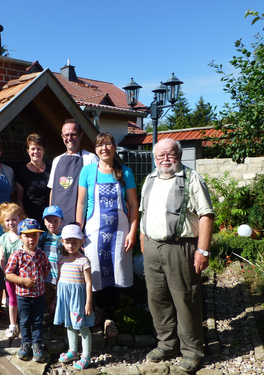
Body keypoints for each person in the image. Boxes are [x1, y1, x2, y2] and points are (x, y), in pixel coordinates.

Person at [139, 138, 214, 373]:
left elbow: (206, 215)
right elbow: (144, 213)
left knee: (186, 299)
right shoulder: (150, 179)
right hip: (152, 247)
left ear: (179, 156)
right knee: (157, 299)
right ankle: (167, 344)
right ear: (154, 158)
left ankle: (192, 351)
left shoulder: (191, 178)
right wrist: (143, 243)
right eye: (160, 156)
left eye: (169, 154)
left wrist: (202, 250)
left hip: (181, 248)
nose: (165, 159)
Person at [76, 132, 138, 338]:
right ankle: (98, 310)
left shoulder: (125, 172)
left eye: (108, 144)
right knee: (95, 272)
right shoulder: (87, 171)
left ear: (114, 147)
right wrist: (79, 231)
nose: (105, 148)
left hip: (120, 232)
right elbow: (81, 203)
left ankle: (111, 317)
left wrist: (133, 231)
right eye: (100, 145)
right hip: (94, 231)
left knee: (116, 272)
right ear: (96, 149)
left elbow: (133, 205)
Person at [5, 219, 51, 363]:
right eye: (27, 235)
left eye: (35, 235)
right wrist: (24, 281)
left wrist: (39, 282)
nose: (31, 239)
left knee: (38, 321)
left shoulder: (41, 254)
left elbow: (46, 269)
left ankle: (37, 344)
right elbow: (8, 274)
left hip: (39, 295)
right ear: (20, 237)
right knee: (24, 321)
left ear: (39, 236)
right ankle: (26, 343)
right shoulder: (17, 255)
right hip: (23, 296)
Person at [54, 224, 95, 370]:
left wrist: (88, 302)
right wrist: (55, 299)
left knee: (82, 327)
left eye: (74, 242)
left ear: (80, 242)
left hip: (78, 300)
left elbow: (89, 283)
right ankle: (73, 350)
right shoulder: (61, 260)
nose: (70, 246)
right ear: (62, 242)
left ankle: (86, 356)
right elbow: (59, 280)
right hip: (65, 300)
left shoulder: (84, 261)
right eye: (67, 242)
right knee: (69, 325)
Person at [48, 119, 98, 226]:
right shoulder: (57, 160)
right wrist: (50, 215)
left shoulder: (91, 159)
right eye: (66, 135)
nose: (69, 138)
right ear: (62, 137)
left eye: (73, 134)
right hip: (58, 219)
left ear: (81, 135)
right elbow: (53, 190)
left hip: (83, 219)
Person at [0, 202, 25, 339]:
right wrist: (6, 273)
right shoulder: (3, 238)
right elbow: (1, 257)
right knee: (12, 300)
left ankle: (25, 323)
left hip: (24, 276)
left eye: (14, 219)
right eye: (7, 220)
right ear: (3, 222)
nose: (11, 223)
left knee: (24, 300)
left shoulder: (23, 237)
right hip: (10, 276)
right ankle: (13, 324)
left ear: (20, 218)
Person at [15, 134, 51, 229]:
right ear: (28, 151)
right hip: (29, 219)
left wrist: (52, 216)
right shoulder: (21, 172)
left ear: (44, 150)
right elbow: (19, 199)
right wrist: (23, 218)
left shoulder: (51, 169)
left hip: (49, 218)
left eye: (39, 149)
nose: (36, 152)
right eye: (33, 149)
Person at [39, 205, 64, 333]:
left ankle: (60, 322)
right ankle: (52, 317)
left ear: (61, 221)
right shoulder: (42, 238)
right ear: (44, 222)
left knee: (59, 298)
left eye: (56, 221)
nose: (52, 224)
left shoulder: (64, 238)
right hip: (47, 276)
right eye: (49, 221)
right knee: (49, 298)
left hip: (60, 275)